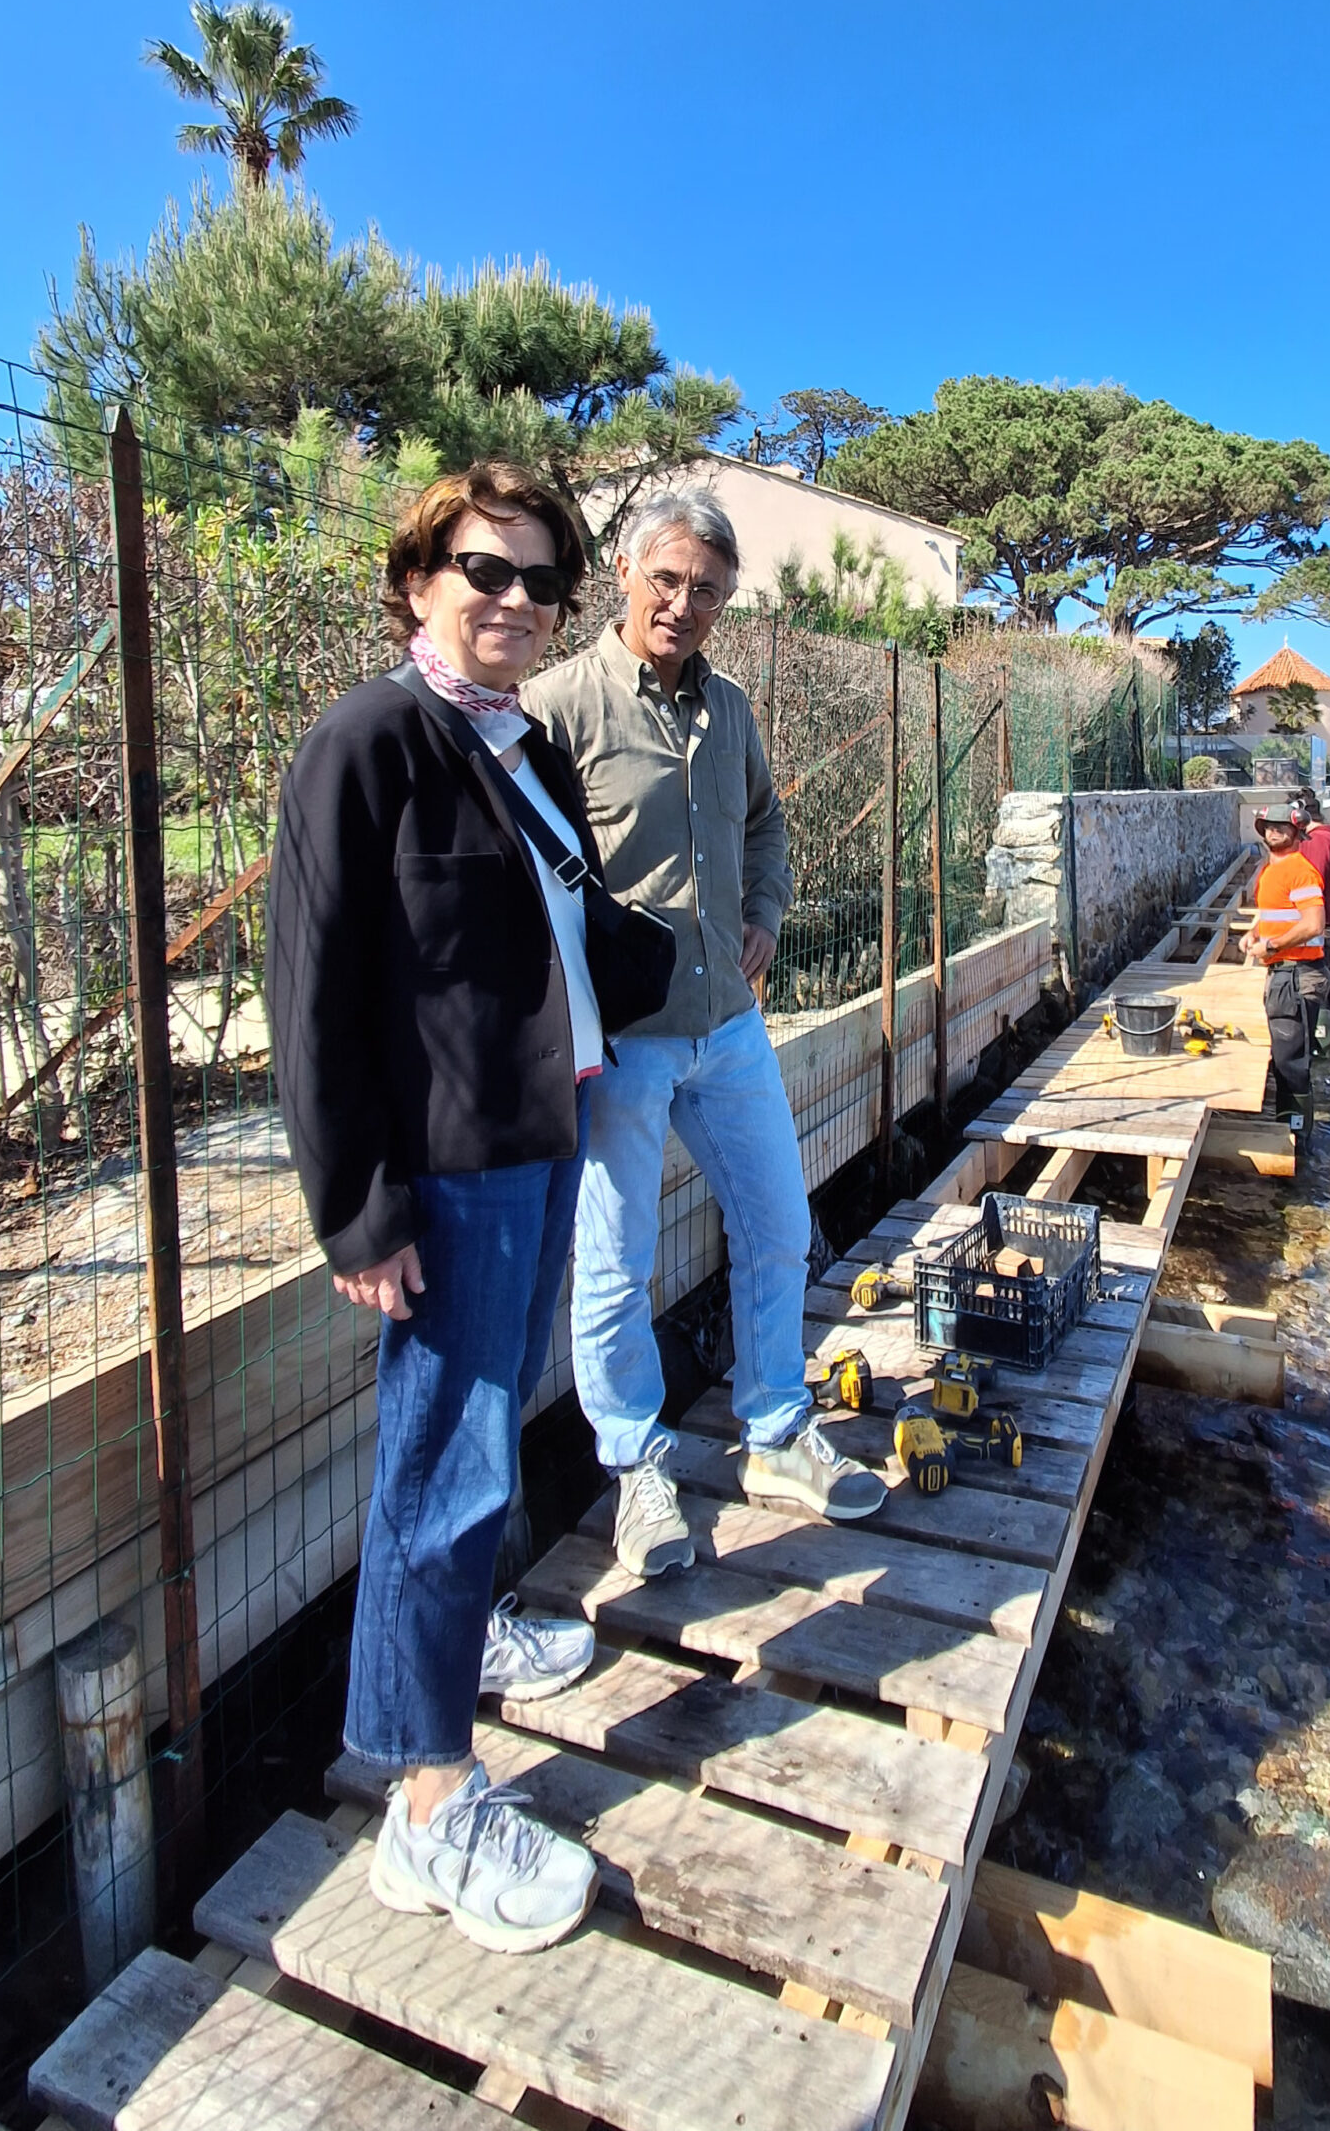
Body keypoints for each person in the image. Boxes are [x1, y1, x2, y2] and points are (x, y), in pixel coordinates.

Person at [268, 460, 629, 1956]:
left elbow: (552, 930)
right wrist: (360, 1212)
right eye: (486, 569)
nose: (516, 600)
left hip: (545, 1131)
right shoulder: (366, 740)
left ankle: (463, 1637)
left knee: (481, 1437)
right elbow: (314, 996)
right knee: (446, 1466)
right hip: (450, 1172)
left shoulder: (524, 744)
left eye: (543, 580)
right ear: (419, 580)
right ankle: (426, 1806)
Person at [528, 488, 885, 1577]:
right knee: (614, 1265)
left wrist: (765, 911)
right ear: (625, 572)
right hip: (623, 1041)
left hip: (728, 1023)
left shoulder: (729, 709)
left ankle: (776, 1429)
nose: (685, 605)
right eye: (669, 580)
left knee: (779, 1224)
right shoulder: (557, 707)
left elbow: (766, 821)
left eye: (710, 592)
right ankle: (637, 1468)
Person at [1241, 804, 1328, 1132]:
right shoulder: (1269, 871)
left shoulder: (1300, 871)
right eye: (1268, 826)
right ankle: (1289, 1126)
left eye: (1281, 827)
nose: (1273, 831)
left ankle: (1297, 1135)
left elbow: (1314, 924)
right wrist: (1256, 932)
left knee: (1291, 1061)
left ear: (1296, 831)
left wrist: (1272, 946)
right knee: (1283, 1056)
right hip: (1283, 973)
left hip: (1299, 974)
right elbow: (1278, 915)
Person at [1288, 787, 1330, 1051]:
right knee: (1325, 978)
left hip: (1316, 926)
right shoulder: (1327, 838)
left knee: (1313, 984)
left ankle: (1316, 1042)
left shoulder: (1317, 842)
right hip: (1324, 922)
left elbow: (1311, 884)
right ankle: (1325, 1039)